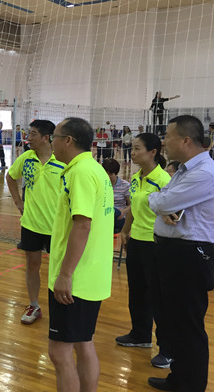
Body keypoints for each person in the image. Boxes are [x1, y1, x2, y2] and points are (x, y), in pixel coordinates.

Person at [147, 115, 214, 392]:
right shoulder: (184, 171)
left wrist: (162, 205)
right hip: (173, 252)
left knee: (188, 323)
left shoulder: (204, 173)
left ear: (185, 140)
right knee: (175, 320)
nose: (164, 142)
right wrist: (162, 204)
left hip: (190, 255)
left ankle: (191, 385)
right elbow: (160, 199)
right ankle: (179, 379)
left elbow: (161, 201)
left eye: (168, 136)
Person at [49, 117, 114, 392]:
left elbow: (83, 224)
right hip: (91, 275)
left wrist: (65, 274)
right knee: (83, 343)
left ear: (68, 140)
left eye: (54, 137)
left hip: (77, 278)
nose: (51, 142)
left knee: (59, 351)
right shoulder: (94, 169)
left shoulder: (81, 173)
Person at [114, 134, 172, 369]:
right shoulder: (137, 178)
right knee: (137, 291)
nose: (133, 152)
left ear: (153, 152)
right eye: (133, 148)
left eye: (137, 148)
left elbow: (171, 213)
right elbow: (134, 208)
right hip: (136, 241)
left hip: (155, 243)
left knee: (159, 297)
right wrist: (125, 231)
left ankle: (167, 349)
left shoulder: (164, 180)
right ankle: (140, 335)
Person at [6, 120, 64, 325]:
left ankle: (61, 308)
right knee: (32, 265)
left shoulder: (62, 161)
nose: (28, 138)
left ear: (46, 137)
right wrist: (18, 201)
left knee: (59, 269)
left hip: (58, 226)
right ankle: (34, 305)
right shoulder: (26, 158)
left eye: (32, 134)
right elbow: (10, 177)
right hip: (31, 223)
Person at [102, 158, 130, 233]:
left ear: (116, 173)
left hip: (118, 217)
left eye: (111, 174)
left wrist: (124, 211)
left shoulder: (125, 185)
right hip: (104, 215)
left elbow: (132, 205)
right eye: (106, 174)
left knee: (116, 212)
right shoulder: (100, 185)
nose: (108, 176)